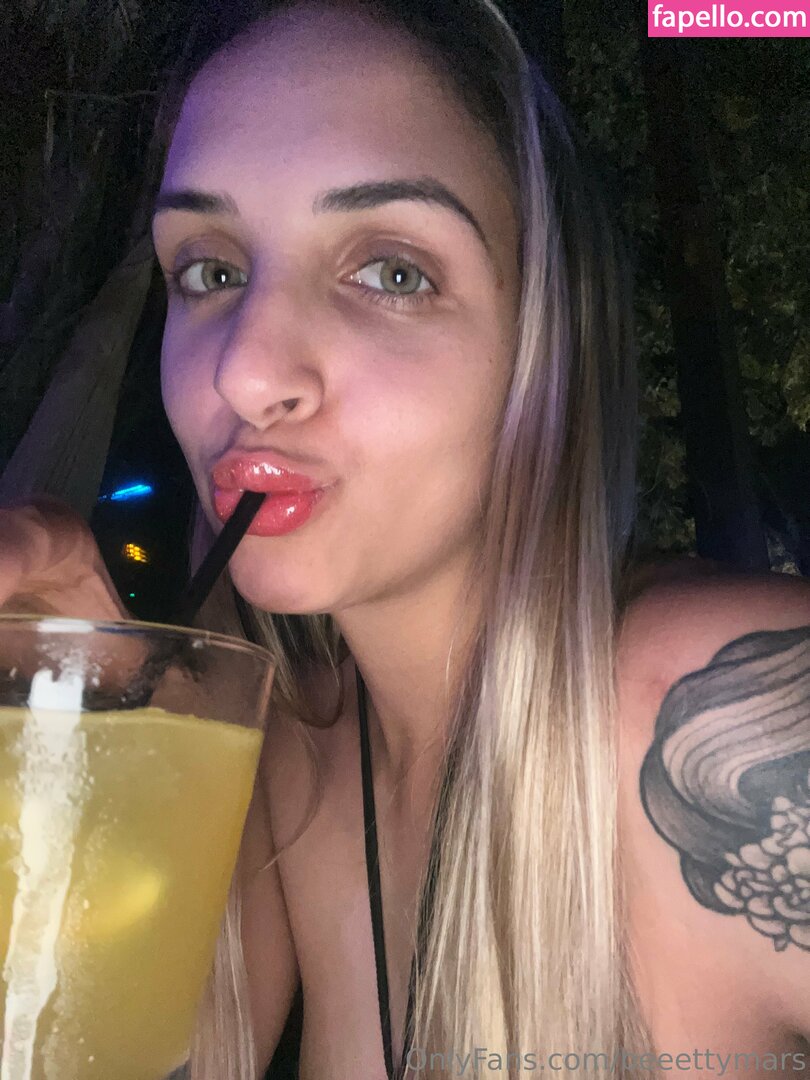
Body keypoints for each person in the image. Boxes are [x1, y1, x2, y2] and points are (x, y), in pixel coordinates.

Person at [2, 0, 809, 1078]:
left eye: (393, 272)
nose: (244, 372)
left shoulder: (730, 727)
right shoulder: (280, 754)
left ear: (545, 345)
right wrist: (82, 747)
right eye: (211, 271)